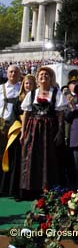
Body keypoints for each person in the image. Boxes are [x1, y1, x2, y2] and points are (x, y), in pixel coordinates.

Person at [20, 67, 68, 194]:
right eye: (41, 75)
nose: (43, 77)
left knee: (49, 156)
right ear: (37, 78)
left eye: (46, 75)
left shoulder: (57, 93)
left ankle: (49, 187)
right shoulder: (31, 94)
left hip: (50, 128)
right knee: (33, 156)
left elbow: (60, 114)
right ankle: (33, 187)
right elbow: (26, 114)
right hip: (33, 128)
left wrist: (60, 131)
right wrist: (23, 131)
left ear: (51, 77)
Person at [0, 65, 21, 196]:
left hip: (17, 126)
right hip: (2, 124)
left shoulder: (22, 88)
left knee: (14, 156)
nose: (13, 74)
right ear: (7, 74)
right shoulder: (0, 89)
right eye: (11, 72)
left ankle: (11, 187)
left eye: (16, 72)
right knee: (1, 154)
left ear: (19, 74)